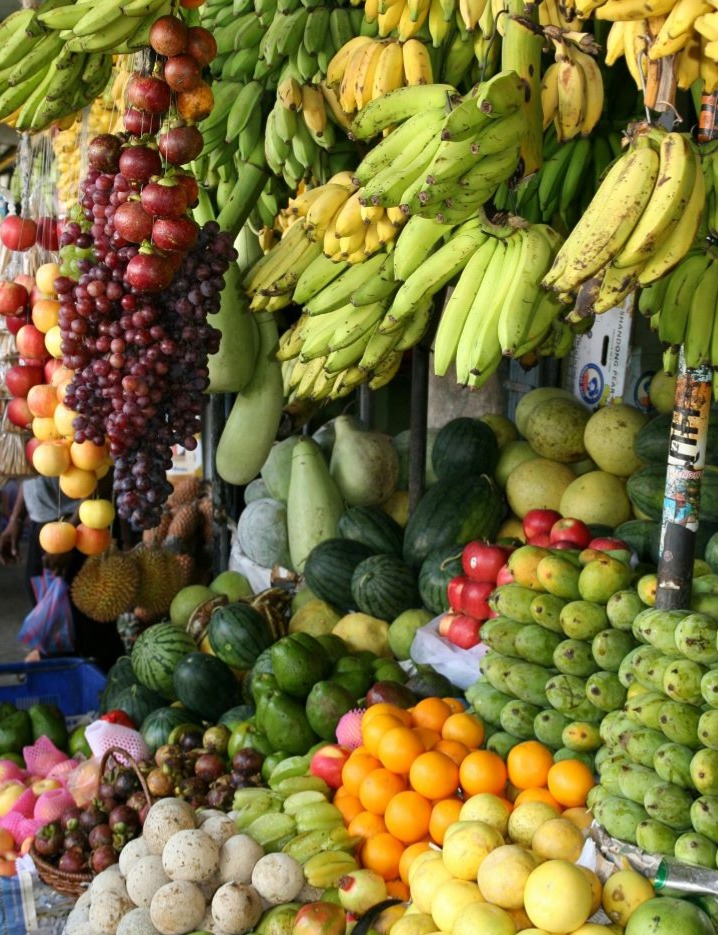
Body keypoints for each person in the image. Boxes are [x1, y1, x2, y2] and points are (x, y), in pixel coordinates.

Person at [0, 475, 124, 671]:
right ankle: (63, 689)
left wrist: (70, 535)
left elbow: (103, 477)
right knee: (55, 629)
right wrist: (16, 518)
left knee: (93, 634)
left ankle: (107, 691)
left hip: (81, 527)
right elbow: (30, 473)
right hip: (45, 527)